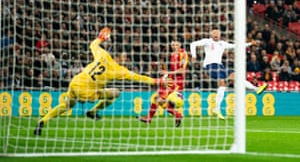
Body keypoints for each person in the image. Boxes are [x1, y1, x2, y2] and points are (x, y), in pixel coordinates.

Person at [34, 27, 169, 136]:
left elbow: (93, 45)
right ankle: (92, 111)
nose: (125, 60)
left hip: (76, 82)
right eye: (124, 58)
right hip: (87, 90)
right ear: (119, 58)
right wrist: (157, 81)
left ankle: (43, 120)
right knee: (115, 93)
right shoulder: (119, 70)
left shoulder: (103, 54)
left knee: (66, 106)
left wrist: (100, 38)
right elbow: (139, 78)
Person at [190, 29, 268, 120]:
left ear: (220, 35)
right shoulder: (207, 41)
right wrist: (194, 55)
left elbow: (236, 46)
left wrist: (250, 43)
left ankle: (256, 89)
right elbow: (193, 44)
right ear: (211, 34)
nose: (216, 35)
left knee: (234, 77)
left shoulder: (222, 44)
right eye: (214, 33)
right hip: (210, 66)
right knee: (222, 83)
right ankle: (217, 108)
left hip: (220, 66)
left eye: (218, 34)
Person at [136, 40, 188, 127]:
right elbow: (172, 70)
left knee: (159, 99)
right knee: (156, 97)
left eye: (176, 44)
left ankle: (177, 115)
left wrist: (168, 73)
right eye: (172, 44)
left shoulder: (183, 54)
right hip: (170, 80)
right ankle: (149, 118)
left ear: (180, 44)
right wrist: (166, 73)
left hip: (178, 82)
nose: (174, 46)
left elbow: (182, 70)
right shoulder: (172, 54)